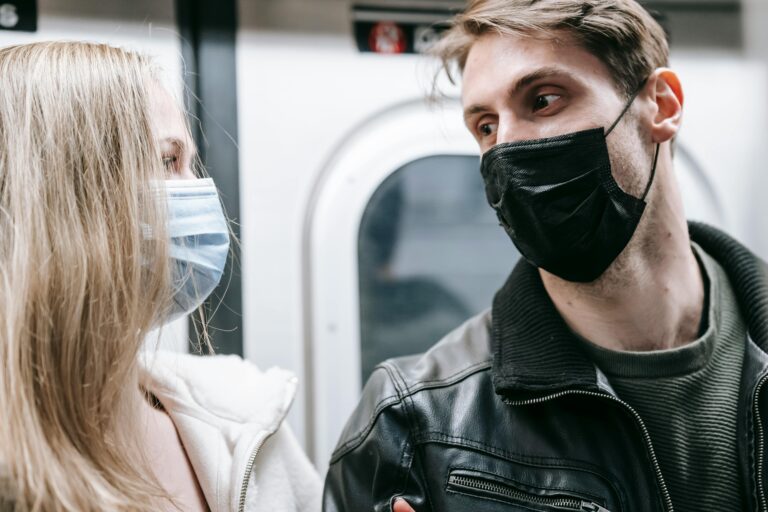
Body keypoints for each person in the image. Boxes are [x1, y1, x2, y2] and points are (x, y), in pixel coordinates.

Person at [324, 1, 765, 510]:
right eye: (486, 127)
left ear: (661, 105)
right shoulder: (416, 424)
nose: (507, 147)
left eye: (544, 100)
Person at [0, 41, 320, 511]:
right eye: (169, 162)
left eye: (190, 164)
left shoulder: (247, 413)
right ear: (64, 198)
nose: (200, 193)